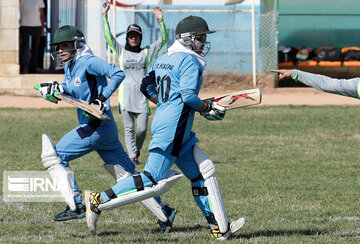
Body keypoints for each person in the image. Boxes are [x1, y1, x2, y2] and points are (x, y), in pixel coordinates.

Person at [85, 16, 246, 240]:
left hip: (173, 125)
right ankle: (98, 199)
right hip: (174, 129)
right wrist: (206, 107)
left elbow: (146, 85)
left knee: (202, 173)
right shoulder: (189, 61)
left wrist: (163, 102)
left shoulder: (164, 58)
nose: (202, 42)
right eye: (199, 38)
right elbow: (189, 97)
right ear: (187, 39)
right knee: (151, 179)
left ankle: (218, 227)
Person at [38, 26, 177, 231]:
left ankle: (75, 204)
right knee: (128, 178)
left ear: (78, 44)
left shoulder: (88, 61)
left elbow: (117, 73)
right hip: (105, 131)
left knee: (54, 156)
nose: (61, 51)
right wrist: (56, 90)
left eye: (65, 46)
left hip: (95, 127)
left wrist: (102, 98)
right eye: (59, 47)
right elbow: (74, 88)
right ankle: (165, 212)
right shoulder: (71, 64)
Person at [102, 2, 168, 164]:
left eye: (136, 36)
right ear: (127, 38)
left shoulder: (146, 52)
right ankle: (132, 157)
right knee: (129, 129)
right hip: (125, 98)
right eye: (130, 36)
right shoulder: (121, 52)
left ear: (140, 38)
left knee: (142, 129)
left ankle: (136, 150)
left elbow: (163, 40)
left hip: (142, 98)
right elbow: (108, 37)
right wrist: (105, 16)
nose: (133, 38)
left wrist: (160, 21)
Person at [19, 0, 45, 74]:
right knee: (24, 48)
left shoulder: (39, 0)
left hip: (37, 26)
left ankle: (32, 68)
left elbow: (42, 14)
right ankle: (23, 67)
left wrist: (42, 29)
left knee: (35, 48)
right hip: (24, 26)